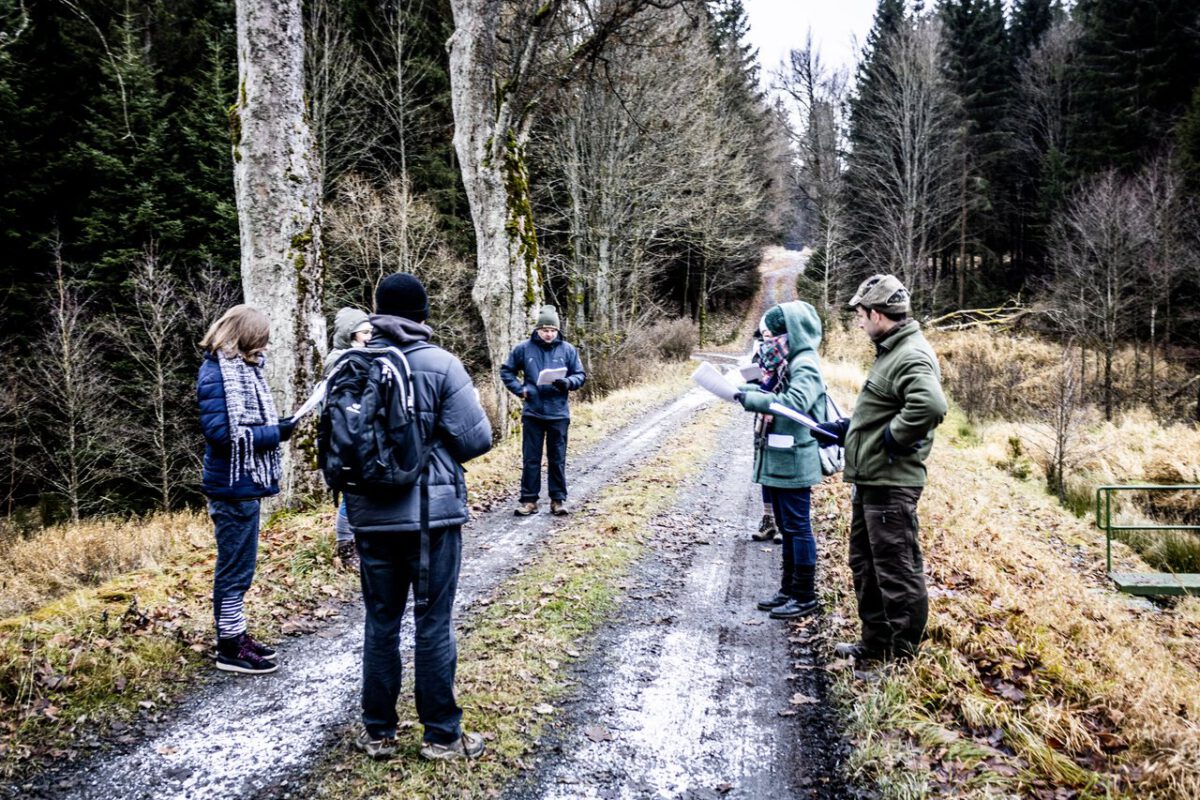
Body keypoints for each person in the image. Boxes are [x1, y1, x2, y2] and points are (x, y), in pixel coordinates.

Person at [342, 272, 493, 761]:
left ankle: (378, 733)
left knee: (381, 622)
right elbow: (476, 438)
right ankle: (442, 736)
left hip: (369, 516)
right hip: (430, 517)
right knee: (432, 621)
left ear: (376, 312)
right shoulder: (440, 364)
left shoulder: (352, 363)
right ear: (423, 314)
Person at [812, 274, 948, 662]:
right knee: (866, 564)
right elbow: (886, 407)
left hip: (891, 483)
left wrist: (892, 439)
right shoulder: (893, 350)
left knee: (896, 570)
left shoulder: (910, 354)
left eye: (859, 314)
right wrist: (848, 430)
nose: (857, 321)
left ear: (877, 314)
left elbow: (931, 405)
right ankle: (875, 645)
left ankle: (902, 659)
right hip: (873, 479)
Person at [197, 304, 296, 675]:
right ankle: (229, 646)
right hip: (231, 486)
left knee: (241, 567)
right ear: (246, 337)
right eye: (261, 340)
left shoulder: (241, 371)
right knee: (234, 570)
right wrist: (276, 434)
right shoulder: (217, 374)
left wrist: (277, 427)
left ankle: (236, 634)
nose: (265, 348)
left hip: (243, 483)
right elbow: (222, 435)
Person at [733, 301, 827, 620]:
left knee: (799, 527)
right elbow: (770, 388)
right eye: (762, 335)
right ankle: (788, 589)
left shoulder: (805, 362)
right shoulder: (781, 360)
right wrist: (748, 386)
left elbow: (796, 403)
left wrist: (754, 399)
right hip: (779, 455)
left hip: (797, 456)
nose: (765, 341)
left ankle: (804, 594)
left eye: (770, 334)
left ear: (788, 333)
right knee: (786, 526)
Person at [500, 305, 586, 516]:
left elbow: (580, 375)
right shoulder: (523, 348)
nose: (548, 334)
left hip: (558, 413)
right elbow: (506, 371)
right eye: (545, 330)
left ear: (557, 331)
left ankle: (558, 500)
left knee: (557, 458)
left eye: (552, 330)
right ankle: (529, 501)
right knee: (531, 458)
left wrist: (567, 382)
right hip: (533, 413)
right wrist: (520, 390)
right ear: (538, 329)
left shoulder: (567, 349)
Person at [323, 307, 373, 570]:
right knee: (350, 493)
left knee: (360, 490)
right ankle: (345, 545)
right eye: (364, 332)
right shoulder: (339, 361)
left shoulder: (362, 357)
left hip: (358, 432)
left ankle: (359, 540)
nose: (369, 336)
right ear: (349, 335)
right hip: (343, 436)